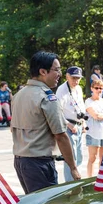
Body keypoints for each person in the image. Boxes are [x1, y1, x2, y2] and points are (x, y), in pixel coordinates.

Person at [11, 51, 81, 194]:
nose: (59, 74)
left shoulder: (19, 95)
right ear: (43, 71)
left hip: (20, 161)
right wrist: (73, 168)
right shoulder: (47, 98)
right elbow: (61, 136)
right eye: (56, 69)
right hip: (39, 164)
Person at [56, 66, 86, 182]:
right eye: (73, 78)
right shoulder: (62, 90)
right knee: (70, 159)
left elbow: (81, 105)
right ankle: (70, 184)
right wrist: (68, 124)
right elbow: (58, 111)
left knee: (79, 157)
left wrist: (83, 121)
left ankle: (76, 180)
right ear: (67, 76)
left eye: (78, 78)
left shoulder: (78, 88)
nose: (76, 81)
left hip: (78, 125)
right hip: (69, 126)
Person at [85, 78, 103, 177]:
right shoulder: (88, 101)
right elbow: (95, 116)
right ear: (92, 88)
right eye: (96, 88)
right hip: (93, 133)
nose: (99, 90)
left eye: (101, 88)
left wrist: (101, 115)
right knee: (93, 157)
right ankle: (90, 178)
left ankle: (102, 178)